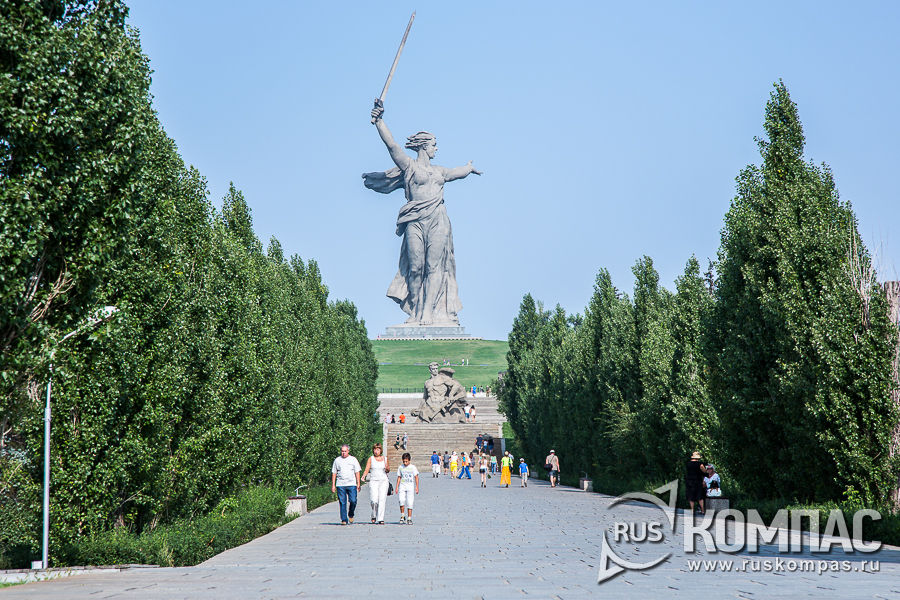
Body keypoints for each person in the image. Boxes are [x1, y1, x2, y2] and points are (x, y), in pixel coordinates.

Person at [364, 101, 481, 326]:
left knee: (434, 266)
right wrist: (379, 122)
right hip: (414, 220)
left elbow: (457, 172)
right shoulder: (409, 166)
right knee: (416, 267)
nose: (436, 149)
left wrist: (468, 167)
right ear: (424, 147)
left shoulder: (440, 172)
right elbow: (392, 146)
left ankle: (428, 313)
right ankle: (416, 311)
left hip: (438, 219)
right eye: (434, 145)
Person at [331, 444, 361, 525]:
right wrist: (333, 485)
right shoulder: (337, 460)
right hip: (340, 484)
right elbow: (334, 473)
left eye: (345, 451)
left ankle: (351, 513)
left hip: (351, 484)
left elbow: (357, 472)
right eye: (342, 451)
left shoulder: (353, 459)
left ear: (348, 451)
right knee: (342, 502)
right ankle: (344, 519)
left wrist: (358, 483)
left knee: (353, 500)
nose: (343, 453)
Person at [361, 443, 390, 524]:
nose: (376, 451)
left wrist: (387, 468)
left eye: (378, 449)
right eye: (375, 449)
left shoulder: (385, 459)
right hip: (374, 481)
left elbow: (388, 470)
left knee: (382, 499)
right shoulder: (371, 459)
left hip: (383, 481)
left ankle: (380, 518)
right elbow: (367, 469)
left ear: (380, 450)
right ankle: (373, 514)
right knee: (374, 500)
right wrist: (364, 476)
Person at [396, 452, 419, 524]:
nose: (405, 463)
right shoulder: (400, 467)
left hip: (410, 486)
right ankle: (402, 515)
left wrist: (417, 487)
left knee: (410, 502)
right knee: (401, 500)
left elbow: (416, 477)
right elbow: (399, 477)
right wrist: (397, 487)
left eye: (406, 461)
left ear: (409, 460)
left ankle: (409, 518)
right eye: (404, 461)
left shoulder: (413, 467)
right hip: (402, 486)